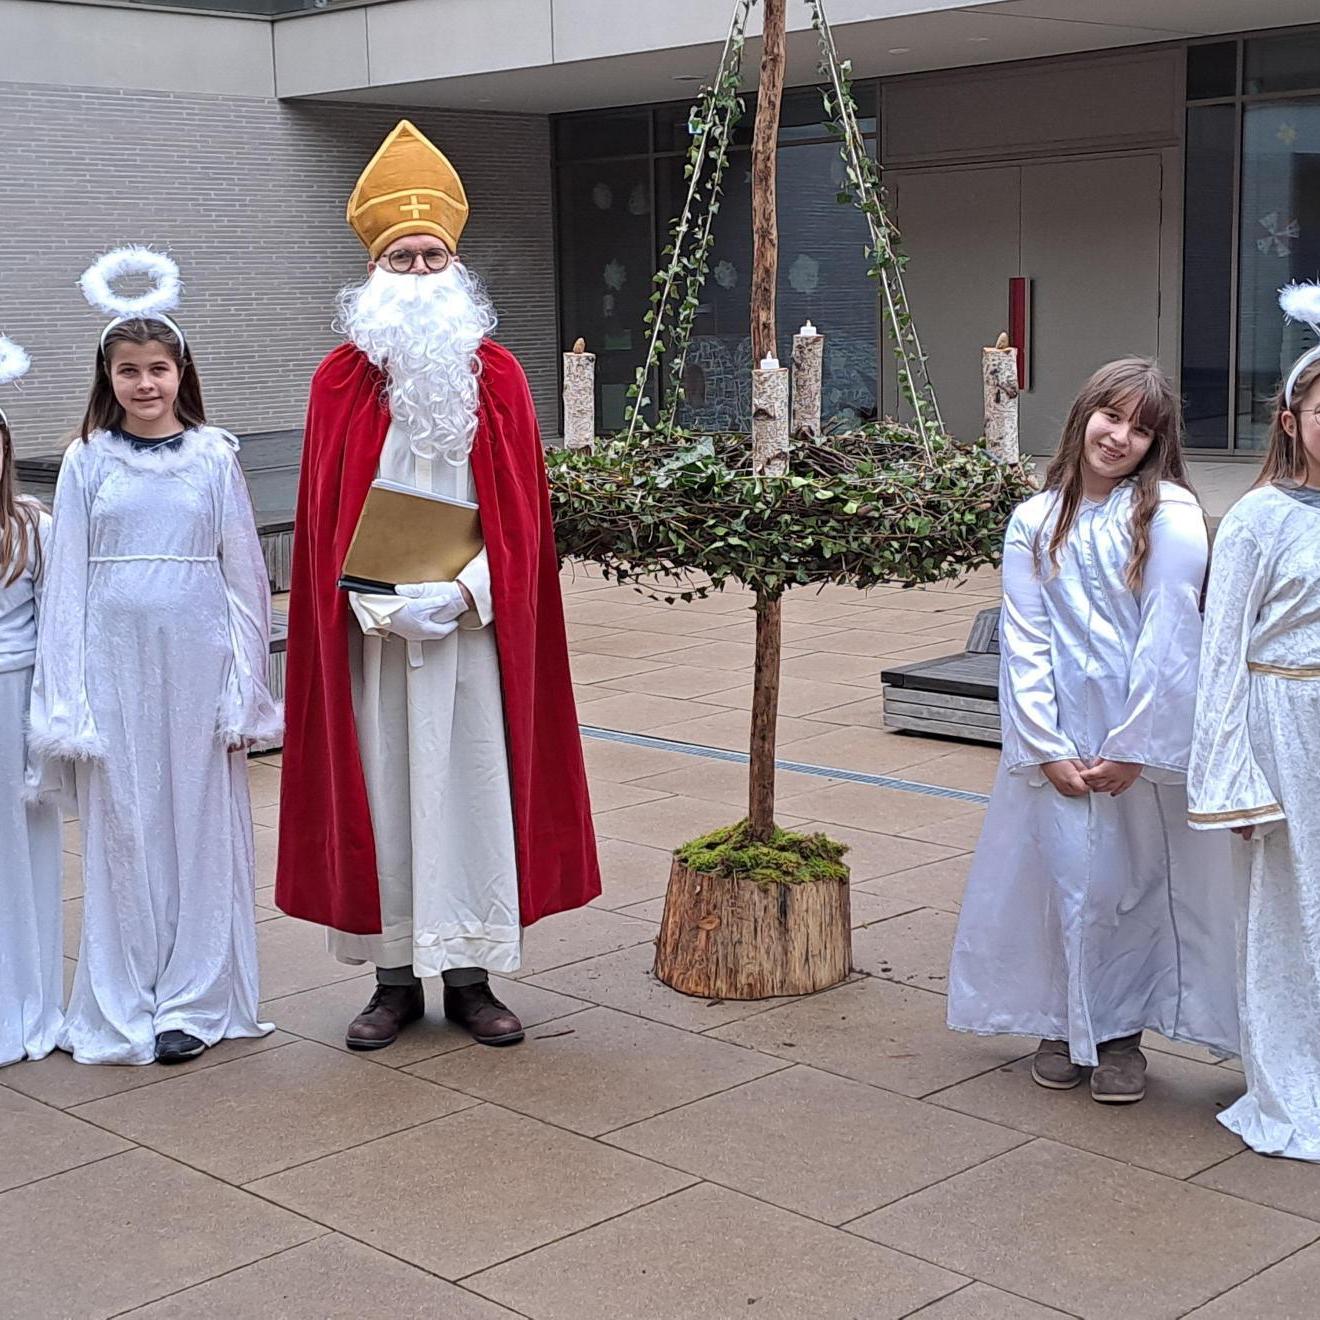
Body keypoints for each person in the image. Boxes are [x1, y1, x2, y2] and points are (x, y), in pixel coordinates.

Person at [276, 120, 599, 1050]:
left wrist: (465, 596)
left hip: (472, 635)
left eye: (434, 256)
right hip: (375, 641)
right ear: (374, 271)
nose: (419, 272)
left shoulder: (495, 376)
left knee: (470, 789)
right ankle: (389, 982)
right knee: (382, 795)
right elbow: (323, 518)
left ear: (458, 269)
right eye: (403, 257)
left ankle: (468, 977)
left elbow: (525, 517)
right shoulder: (338, 382)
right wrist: (379, 604)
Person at [947, 357, 1238, 1103]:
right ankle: (1060, 1019)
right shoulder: (1035, 519)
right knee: (1060, 876)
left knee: (1128, 883)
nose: (1121, 437)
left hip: (1132, 737)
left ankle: (1119, 1032)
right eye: (1112, 416)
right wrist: (1044, 747)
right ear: (1084, 415)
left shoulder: (1168, 513)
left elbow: (1173, 631)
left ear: (1155, 444)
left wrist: (1136, 746)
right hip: (1060, 737)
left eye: (1141, 429)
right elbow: (1026, 637)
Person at [28, 248, 279, 1065]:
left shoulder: (214, 455)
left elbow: (245, 580)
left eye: (159, 369)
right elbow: (64, 585)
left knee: (200, 830)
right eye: (129, 371)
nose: (145, 385)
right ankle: (126, 991)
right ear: (109, 378)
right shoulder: (86, 460)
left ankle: (194, 1000)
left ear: (181, 373)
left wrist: (246, 690)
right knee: (125, 832)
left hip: (197, 665)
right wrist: (65, 698)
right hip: (114, 668)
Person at [1188, 283, 1320, 1159]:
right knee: (1288, 913)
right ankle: (1291, 1082)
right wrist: (1231, 780)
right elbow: (1219, 657)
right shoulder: (1257, 523)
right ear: (1291, 417)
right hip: (1287, 726)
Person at [0, 335, 64, 1066]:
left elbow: (59, 623)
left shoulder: (32, 527)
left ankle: (32, 992)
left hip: (19, 703)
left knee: (27, 848)